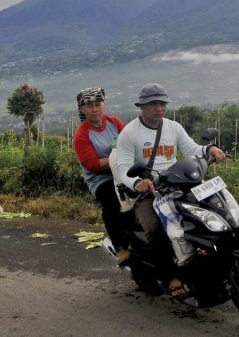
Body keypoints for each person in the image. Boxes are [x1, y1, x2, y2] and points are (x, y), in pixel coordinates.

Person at [112, 82, 225, 298]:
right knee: (155, 228)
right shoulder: (129, 133)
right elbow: (124, 168)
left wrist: (210, 148)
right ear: (142, 106)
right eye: (153, 104)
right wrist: (137, 183)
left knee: (210, 215)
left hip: (179, 184)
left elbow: (191, 148)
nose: (159, 108)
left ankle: (209, 263)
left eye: (162, 103)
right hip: (149, 191)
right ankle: (170, 276)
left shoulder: (173, 127)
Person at [72, 87, 131, 266]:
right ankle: (121, 247)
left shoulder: (114, 123)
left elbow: (131, 140)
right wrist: (115, 157)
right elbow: (92, 165)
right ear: (83, 109)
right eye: (89, 106)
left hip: (123, 172)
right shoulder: (82, 135)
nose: (95, 109)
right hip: (102, 179)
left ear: (103, 105)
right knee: (112, 202)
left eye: (98, 104)